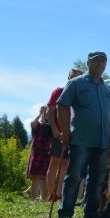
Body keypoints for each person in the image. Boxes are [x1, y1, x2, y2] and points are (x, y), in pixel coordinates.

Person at [56, 51, 110, 218]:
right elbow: (61, 105)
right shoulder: (76, 83)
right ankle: (65, 212)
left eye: (103, 61)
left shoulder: (107, 89)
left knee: (96, 180)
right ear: (88, 63)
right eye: (96, 61)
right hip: (81, 138)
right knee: (74, 176)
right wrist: (65, 131)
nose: (100, 64)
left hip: (102, 141)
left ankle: (90, 213)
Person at [46, 67, 84, 204]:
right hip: (59, 132)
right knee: (55, 161)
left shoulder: (80, 94)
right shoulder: (58, 91)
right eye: (71, 77)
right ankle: (51, 194)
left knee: (66, 164)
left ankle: (59, 194)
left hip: (75, 133)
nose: (73, 79)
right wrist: (54, 129)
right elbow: (50, 111)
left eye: (76, 77)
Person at [26, 106, 53, 200]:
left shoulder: (52, 124)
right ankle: (33, 199)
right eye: (45, 111)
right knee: (36, 177)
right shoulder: (38, 124)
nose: (46, 113)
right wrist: (40, 113)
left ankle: (44, 200)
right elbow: (32, 123)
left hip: (48, 153)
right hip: (37, 152)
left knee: (46, 176)